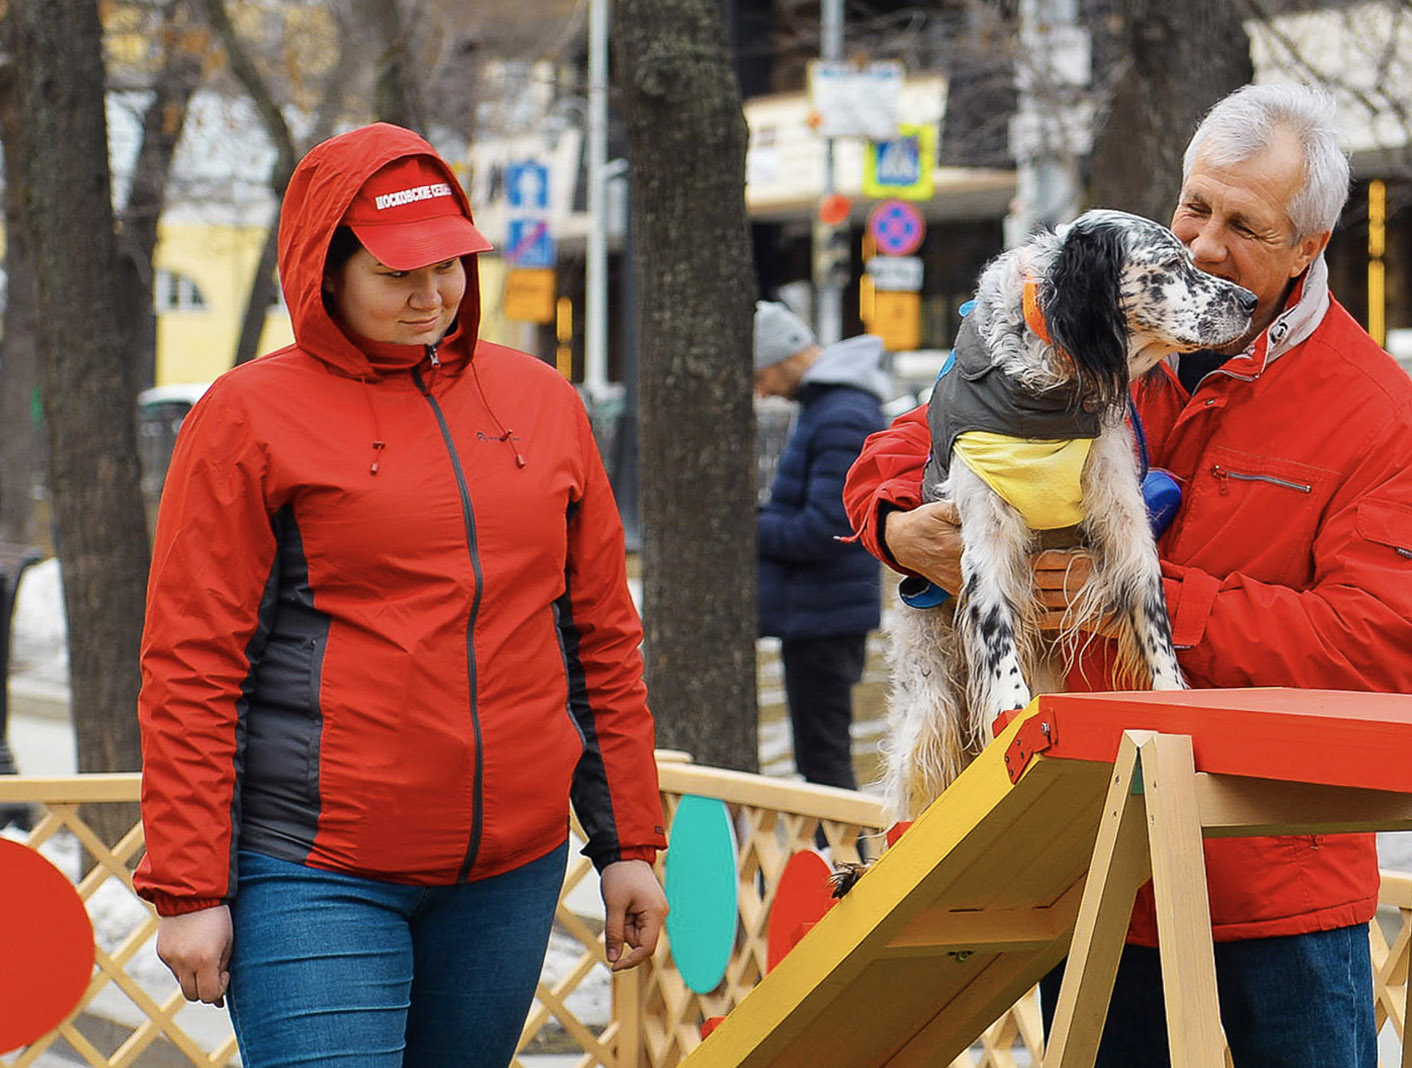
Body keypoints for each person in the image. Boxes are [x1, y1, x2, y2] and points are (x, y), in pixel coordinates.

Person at [842, 84, 1412, 1066]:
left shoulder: (1378, 414)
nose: (1204, 245)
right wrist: (891, 519)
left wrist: (1148, 606)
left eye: (1244, 224)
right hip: (1085, 874)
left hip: (1273, 900)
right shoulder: (1100, 323)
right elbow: (922, 431)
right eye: (1193, 206)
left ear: (1310, 245)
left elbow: (1377, 647)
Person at [133, 122, 668, 1068]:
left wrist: (627, 837)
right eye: (397, 274)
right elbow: (191, 664)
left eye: (452, 266)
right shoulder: (247, 417)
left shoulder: (542, 402)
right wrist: (187, 888)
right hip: (313, 869)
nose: (432, 297)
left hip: (508, 873)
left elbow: (598, 637)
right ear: (325, 271)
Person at [755, 301, 891, 791]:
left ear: (785, 357)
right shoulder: (830, 408)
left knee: (824, 764)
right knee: (822, 758)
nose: (762, 389)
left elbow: (827, 528)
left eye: (763, 374)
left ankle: (845, 863)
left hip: (824, 617)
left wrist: (748, 531)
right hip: (821, 612)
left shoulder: (839, 413)